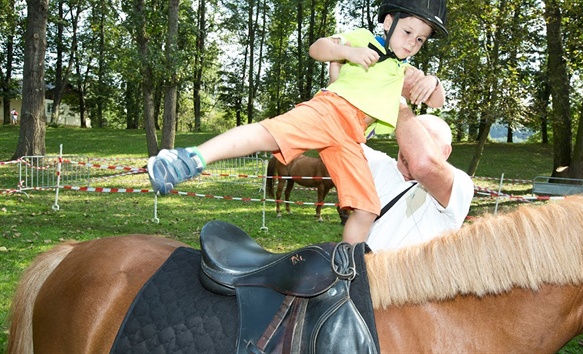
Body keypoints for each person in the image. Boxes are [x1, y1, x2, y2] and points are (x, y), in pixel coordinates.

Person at [148, 0, 448, 244]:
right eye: (408, 33)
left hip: (352, 136)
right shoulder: (365, 39)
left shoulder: (404, 71)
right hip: (332, 111)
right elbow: (317, 48)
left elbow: (437, 102)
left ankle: (346, 270)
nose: (412, 43)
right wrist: (347, 52)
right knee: (268, 135)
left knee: (367, 209)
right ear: (388, 22)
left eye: (420, 39)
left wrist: (432, 80)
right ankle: (188, 160)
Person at [364, 101, 475, 251]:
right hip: (361, 272)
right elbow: (336, 133)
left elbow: (423, 164)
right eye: (409, 134)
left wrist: (398, 101)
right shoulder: (380, 165)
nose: (410, 144)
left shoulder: (460, 184)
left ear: (445, 152)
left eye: (424, 139)